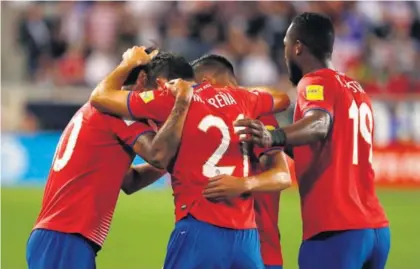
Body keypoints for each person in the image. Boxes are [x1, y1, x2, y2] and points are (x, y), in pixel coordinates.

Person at [89, 47, 291, 269]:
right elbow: (282, 98)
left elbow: (100, 97)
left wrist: (127, 63)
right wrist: (231, 96)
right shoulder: (245, 99)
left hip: (200, 225)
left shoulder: (173, 98)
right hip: (246, 237)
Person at [235, 12, 390, 269]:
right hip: (375, 229)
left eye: (286, 45)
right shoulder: (355, 88)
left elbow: (319, 124)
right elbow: (326, 145)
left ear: (297, 47)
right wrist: (276, 144)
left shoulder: (314, 81)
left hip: (336, 230)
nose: (285, 54)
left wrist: (274, 135)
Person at [26, 48, 194, 269]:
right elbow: (157, 154)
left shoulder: (105, 110)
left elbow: (131, 181)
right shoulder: (119, 113)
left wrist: (169, 162)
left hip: (63, 237)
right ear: (143, 80)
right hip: (65, 236)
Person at [191, 54, 293, 269]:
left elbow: (283, 175)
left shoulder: (255, 115)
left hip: (259, 251)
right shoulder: (203, 120)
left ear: (206, 82)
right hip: (213, 246)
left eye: (198, 86)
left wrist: (243, 184)